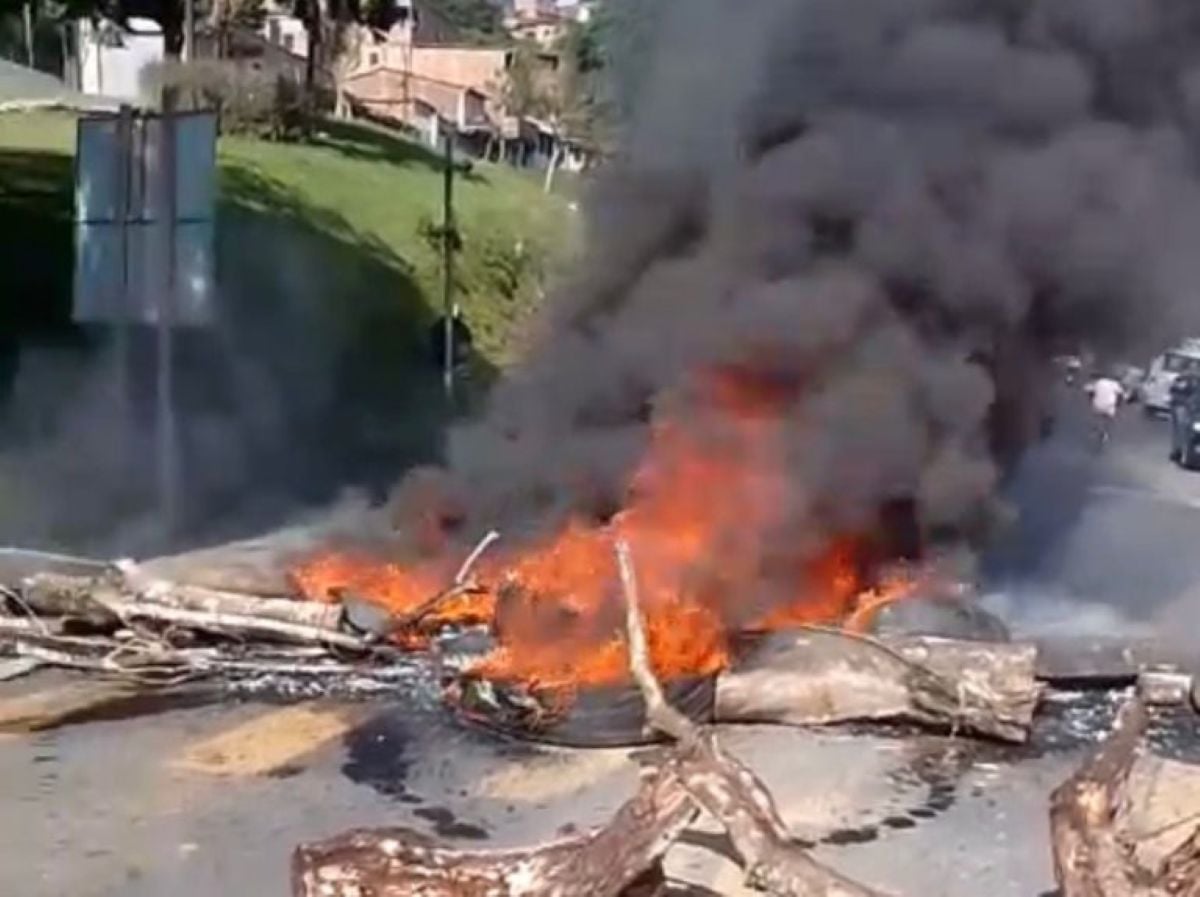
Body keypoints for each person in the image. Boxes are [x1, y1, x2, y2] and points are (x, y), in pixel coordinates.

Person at [1086, 371, 1125, 448]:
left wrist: (1091, 400)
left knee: (1097, 416)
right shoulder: (1114, 384)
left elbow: (1089, 391)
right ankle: (1104, 433)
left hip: (1097, 405)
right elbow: (1121, 394)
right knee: (1108, 419)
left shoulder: (1097, 383)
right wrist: (1118, 405)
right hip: (1109, 406)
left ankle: (1096, 430)